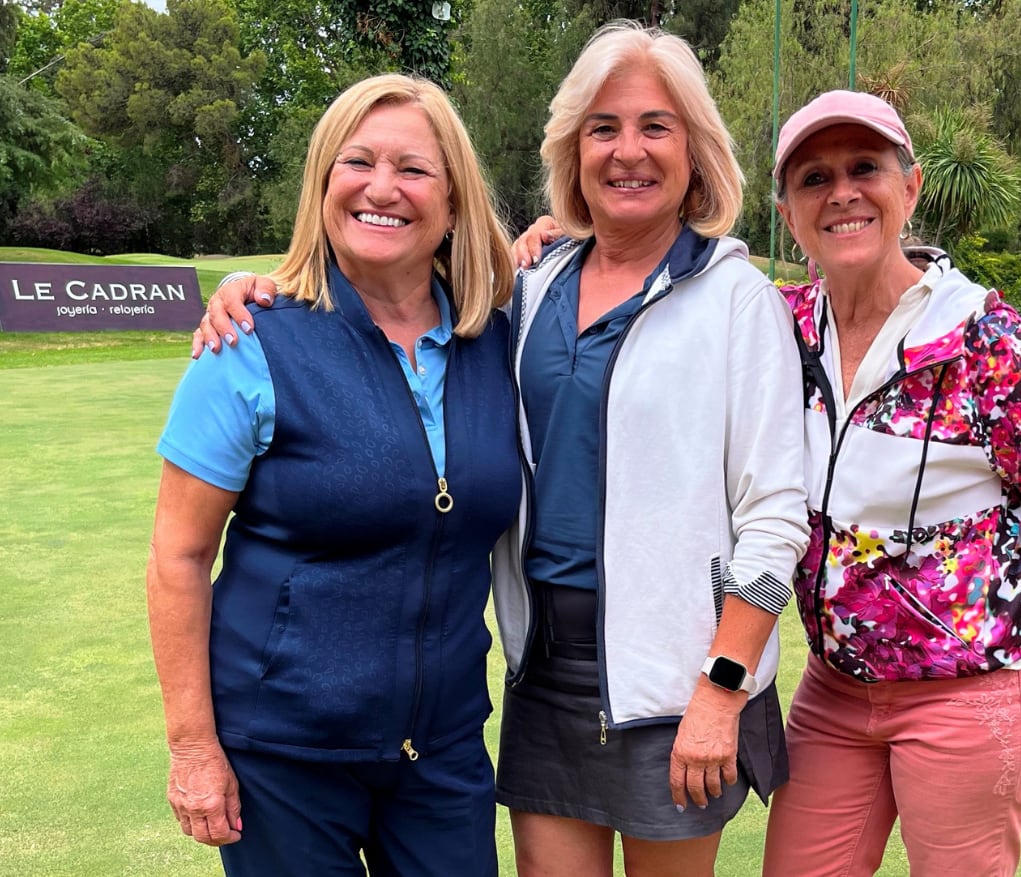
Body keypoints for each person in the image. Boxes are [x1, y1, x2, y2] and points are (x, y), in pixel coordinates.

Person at [195, 22, 809, 877]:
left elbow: (779, 518)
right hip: (542, 673)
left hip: (678, 681)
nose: (627, 150)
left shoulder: (741, 300)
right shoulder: (526, 289)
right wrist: (249, 285)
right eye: (603, 127)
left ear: (697, 151)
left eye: (655, 126)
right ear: (573, 149)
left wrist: (724, 684)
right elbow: (383, 279)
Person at [147, 73, 519, 877]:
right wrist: (192, 747)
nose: (382, 188)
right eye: (357, 161)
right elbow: (177, 557)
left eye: (414, 169)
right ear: (323, 184)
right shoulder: (249, 339)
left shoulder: (496, 339)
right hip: (280, 757)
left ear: (452, 202)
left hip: (441, 751)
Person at [759, 90, 1021, 876]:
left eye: (866, 168)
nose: (843, 193)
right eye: (814, 179)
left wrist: (971, 572)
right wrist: (560, 241)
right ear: (789, 212)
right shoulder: (776, 328)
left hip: (971, 691)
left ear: (911, 187)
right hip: (834, 690)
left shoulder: (985, 338)